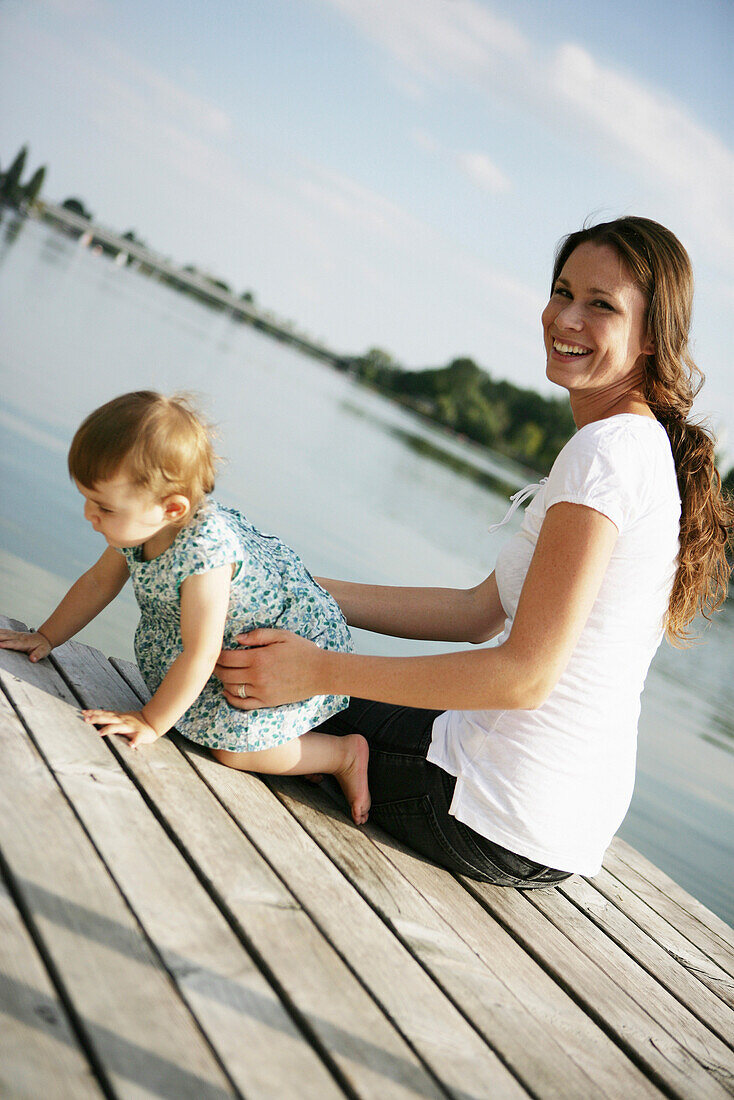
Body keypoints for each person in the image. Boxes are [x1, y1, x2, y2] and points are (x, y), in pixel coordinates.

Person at [215, 217, 733, 886]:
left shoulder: (605, 456)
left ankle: (341, 745)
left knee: (228, 682)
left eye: (601, 304)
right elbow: (476, 611)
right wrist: (300, 585)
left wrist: (319, 670)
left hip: (485, 806)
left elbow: (524, 677)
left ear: (652, 338)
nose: (566, 317)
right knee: (269, 666)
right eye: (562, 290)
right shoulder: (630, 447)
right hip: (550, 824)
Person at [0, 392, 371, 823]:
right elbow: (99, 581)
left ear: (171, 507)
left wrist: (150, 722)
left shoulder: (203, 555)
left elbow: (201, 652)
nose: (88, 514)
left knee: (232, 751)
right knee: (214, 722)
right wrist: (46, 635)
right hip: (233, 649)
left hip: (289, 648)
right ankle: (291, 744)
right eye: (86, 498)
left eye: (103, 506)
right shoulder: (146, 525)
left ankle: (341, 754)